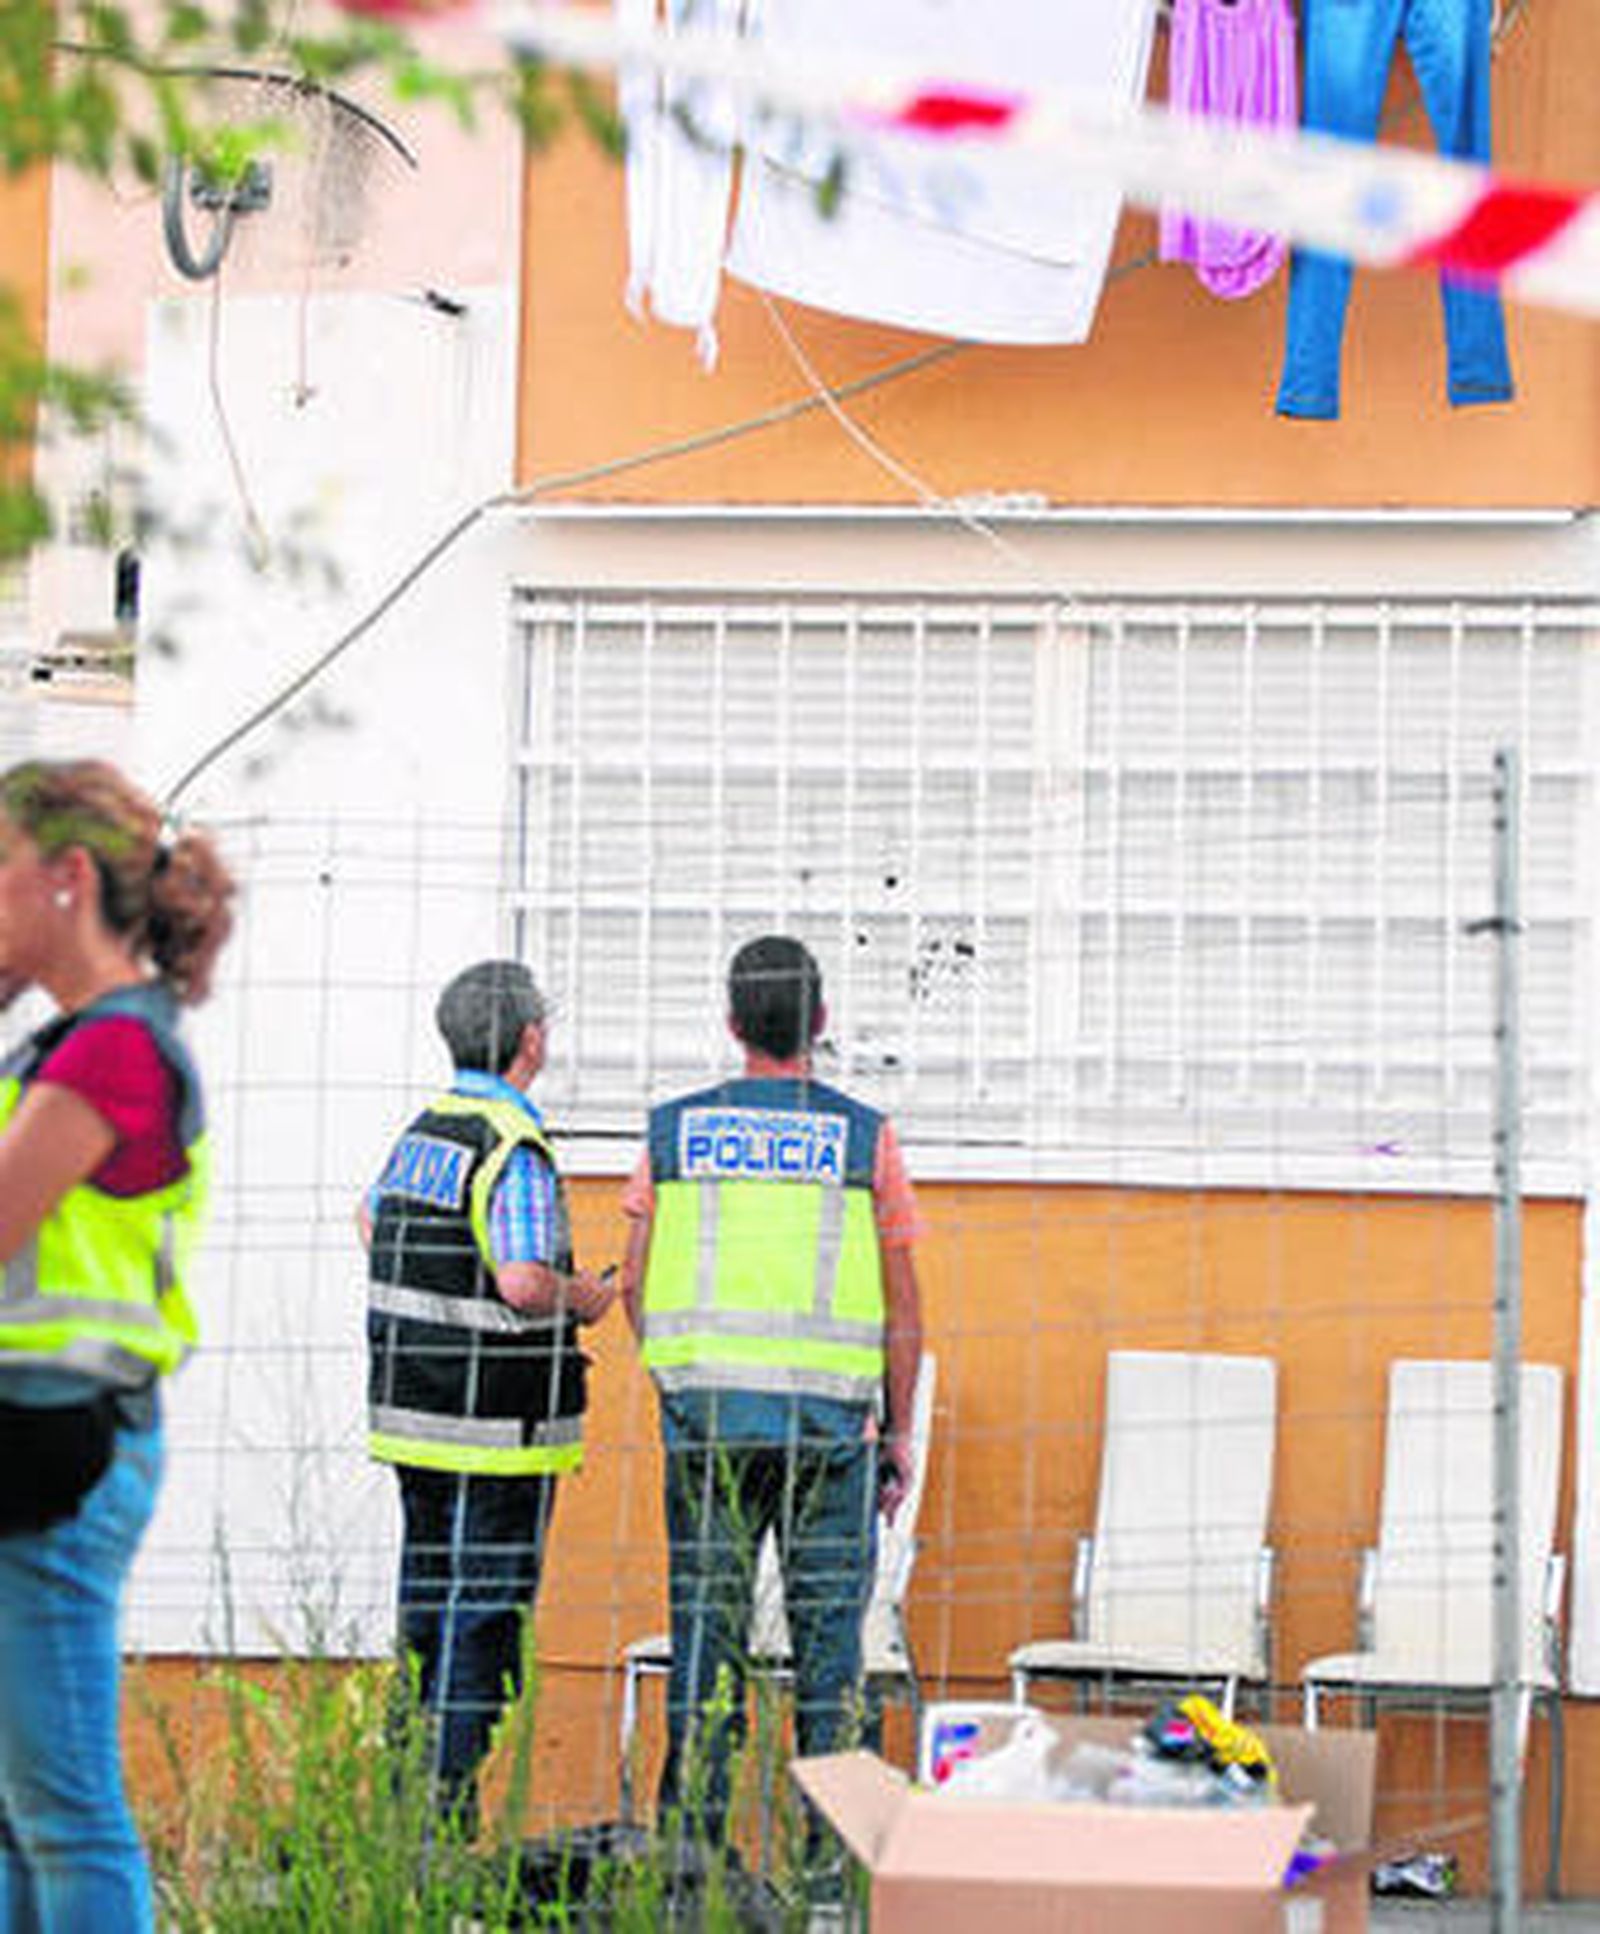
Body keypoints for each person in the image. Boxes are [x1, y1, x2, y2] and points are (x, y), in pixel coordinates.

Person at [621, 935, 924, 1845]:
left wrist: (684, 1376)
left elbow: (634, 1283)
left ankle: (691, 1875)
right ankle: (829, 1878)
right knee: (832, 1664)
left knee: (706, 1648)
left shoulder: (672, 1133)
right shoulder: (864, 1138)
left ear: (730, 1022)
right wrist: (898, 1432)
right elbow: (903, 1308)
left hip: (705, 1426)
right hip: (829, 1437)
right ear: (821, 1024)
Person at [0, 757, 234, 1933]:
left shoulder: (112, 1052)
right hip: (36, 1437)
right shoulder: (64, 1047)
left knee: (65, 1810)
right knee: (19, 1811)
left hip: (63, 1445)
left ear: (64, 878)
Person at [362, 959, 616, 1831]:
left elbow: (370, 1220)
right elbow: (521, 1281)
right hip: (494, 1429)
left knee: (425, 1612)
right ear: (532, 1040)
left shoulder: (425, 1131)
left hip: (412, 1416)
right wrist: (588, 1297)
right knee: (484, 1621)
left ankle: (405, 1802)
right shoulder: (514, 1143)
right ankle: (443, 1816)